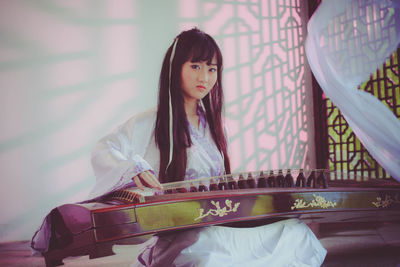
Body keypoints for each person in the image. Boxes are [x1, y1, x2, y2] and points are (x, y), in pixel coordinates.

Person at [90, 28, 327, 266]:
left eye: (211, 69)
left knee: (294, 232)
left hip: (220, 222)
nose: (204, 77)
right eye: (195, 66)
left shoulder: (217, 126)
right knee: (210, 249)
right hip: (184, 230)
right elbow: (104, 149)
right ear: (175, 68)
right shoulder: (150, 121)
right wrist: (134, 167)